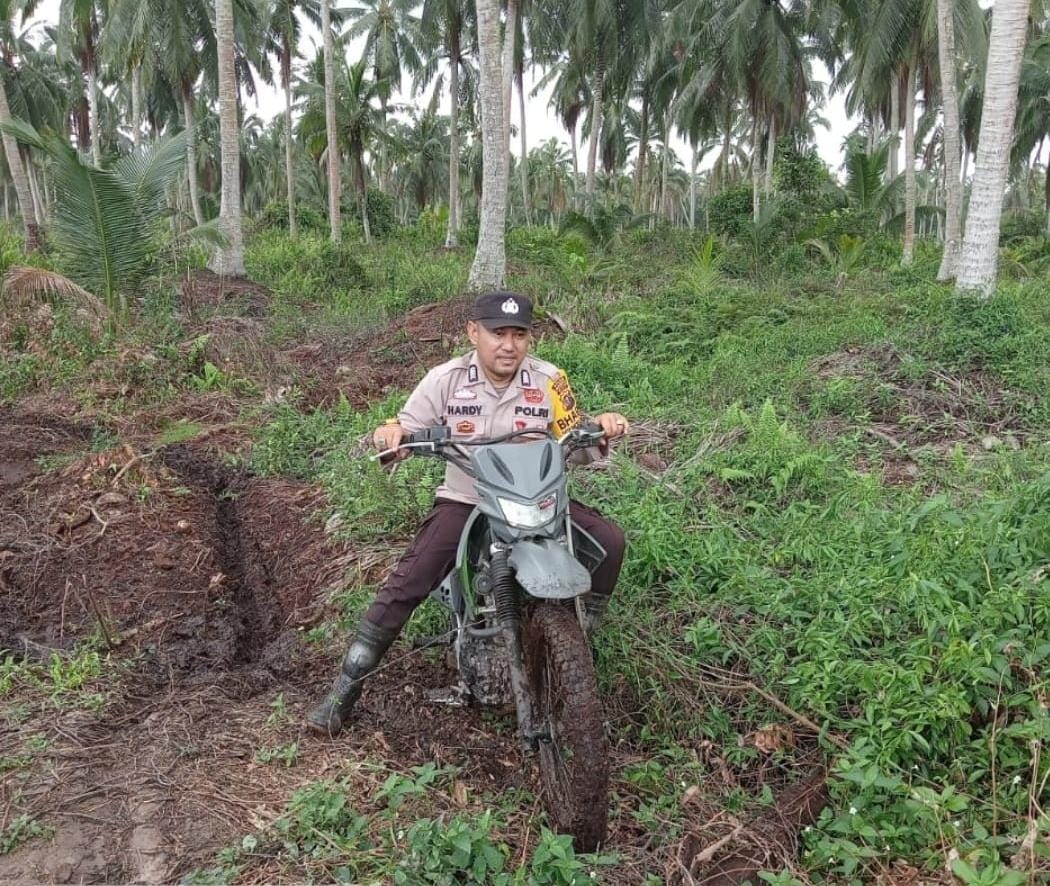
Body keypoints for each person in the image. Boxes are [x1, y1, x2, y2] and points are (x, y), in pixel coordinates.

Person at [307, 291, 629, 737]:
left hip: (536, 499)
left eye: (519, 334)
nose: (509, 345)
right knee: (409, 580)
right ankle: (344, 690)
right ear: (473, 332)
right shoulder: (445, 380)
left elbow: (575, 441)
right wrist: (393, 435)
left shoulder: (550, 380)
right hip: (469, 498)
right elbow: (403, 425)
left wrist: (601, 430)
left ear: (530, 338)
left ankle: (578, 638)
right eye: (498, 333)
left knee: (608, 542)